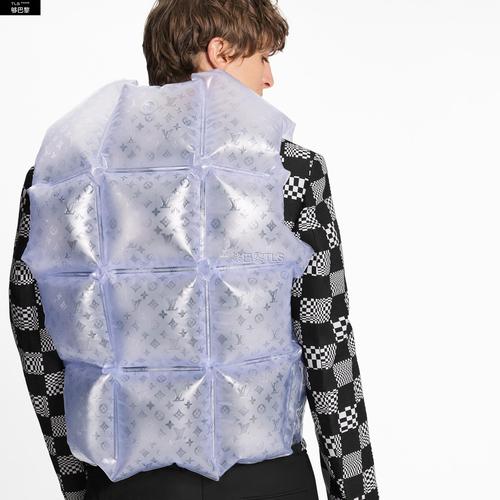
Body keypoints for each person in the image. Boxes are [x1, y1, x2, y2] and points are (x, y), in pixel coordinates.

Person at [8, 1, 379, 499]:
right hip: (266, 483)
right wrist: (355, 493)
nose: (270, 78)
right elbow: (326, 340)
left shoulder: (61, 178)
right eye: (263, 58)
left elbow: (33, 327)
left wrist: (80, 483)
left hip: (126, 487)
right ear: (219, 53)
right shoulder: (289, 172)